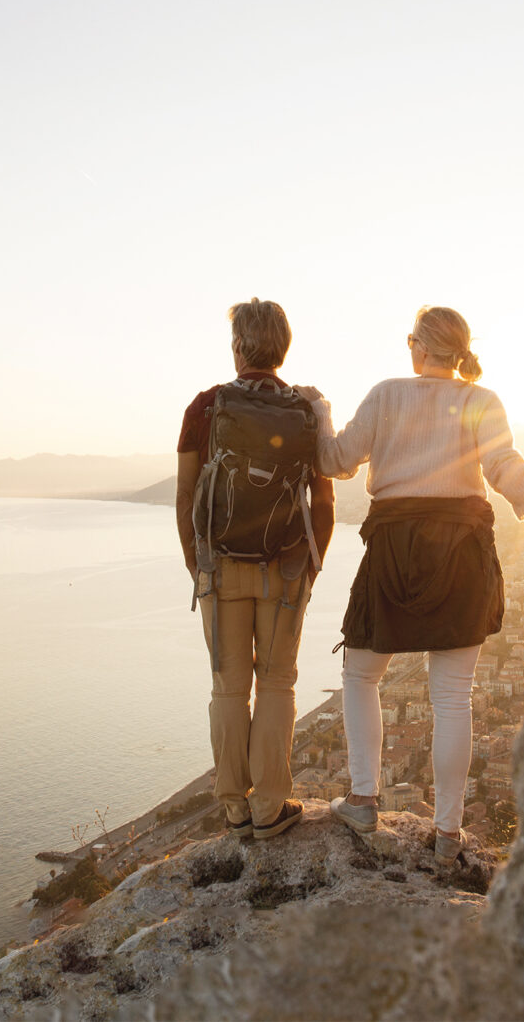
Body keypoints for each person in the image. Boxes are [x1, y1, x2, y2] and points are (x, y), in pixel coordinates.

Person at [305, 306, 524, 860]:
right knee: (451, 696)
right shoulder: (481, 400)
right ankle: (446, 834)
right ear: (460, 351)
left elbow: (334, 460)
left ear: (416, 346)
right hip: (463, 550)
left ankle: (364, 799)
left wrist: (319, 410)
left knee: (360, 673)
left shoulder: (387, 395)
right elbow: (509, 472)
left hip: (394, 548)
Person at [176, 299, 335, 840]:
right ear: (282, 346)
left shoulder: (205, 408)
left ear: (238, 346)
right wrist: (310, 569)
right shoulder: (305, 412)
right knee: (277, 685)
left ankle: (234, 808)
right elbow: (325, 505)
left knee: (228, 688)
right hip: (286, 573)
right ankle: (270, 807)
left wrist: (198, 566)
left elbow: (184, 498)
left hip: (219, 569)